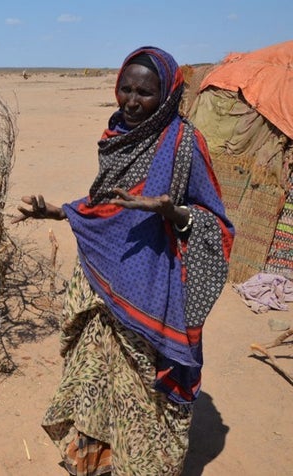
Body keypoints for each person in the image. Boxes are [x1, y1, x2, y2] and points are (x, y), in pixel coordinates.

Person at [13, 46, 235, 475]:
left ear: (167, 95)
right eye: (126, 89)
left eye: (145, 93)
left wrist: (169, 212)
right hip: (103, 278)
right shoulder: (118, 134)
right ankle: (100, 460)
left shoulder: (185, 142)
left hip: (155, 288)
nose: (132, 101)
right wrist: (59, 211)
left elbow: (218, 224)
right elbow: (106, 204)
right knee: (98, 372)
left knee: (143, 385)